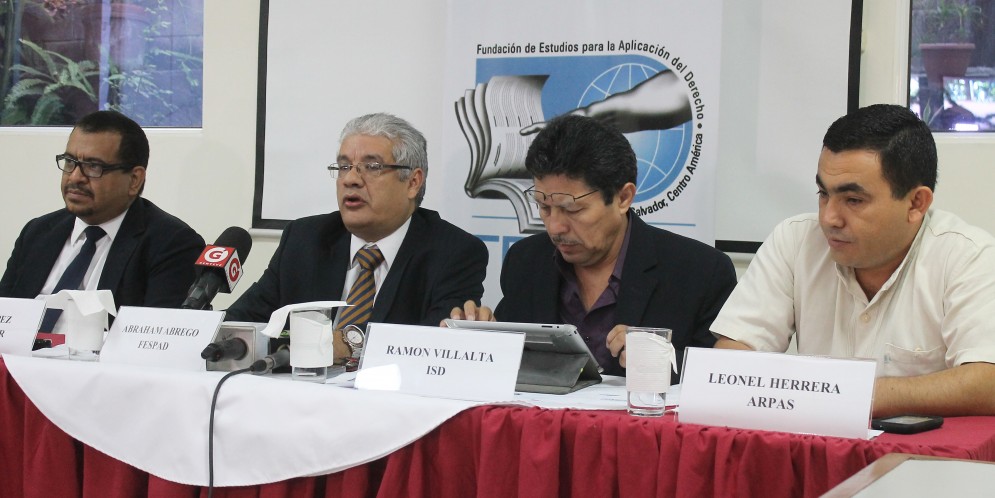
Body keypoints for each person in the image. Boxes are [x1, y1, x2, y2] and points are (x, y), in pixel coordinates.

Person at [711, 104, 995, 417]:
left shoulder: (969, 256)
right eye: (823, 194)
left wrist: (846, 394)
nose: (829, 218)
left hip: (919, 449)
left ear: (916, 203)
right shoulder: (795, 240)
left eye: (853, 200)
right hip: (813, 443)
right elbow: (729, 362)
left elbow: (987, 381)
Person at [451, 114, 737, 378]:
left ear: (623, 198)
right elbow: (513, 363)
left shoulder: (700, 272)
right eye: (544, 207)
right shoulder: (526, 261)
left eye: (572, 209)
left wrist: (659, 358)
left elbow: (720, 378)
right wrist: (483, 338)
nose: (555, 227)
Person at [226, 113, 488, 359]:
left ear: (413, 182)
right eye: (343, 167)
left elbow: (435, 347)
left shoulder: (454, 252)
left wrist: (352, 344)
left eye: (372, 167)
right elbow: (240, 323)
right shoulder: (304, 239)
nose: (350, 179)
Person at [0, 110, 205, 331]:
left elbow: (153, 339)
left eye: (93, 166)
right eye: (70, 162)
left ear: (134, 180)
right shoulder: (38, 232)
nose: (75, 177)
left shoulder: (171, 244)